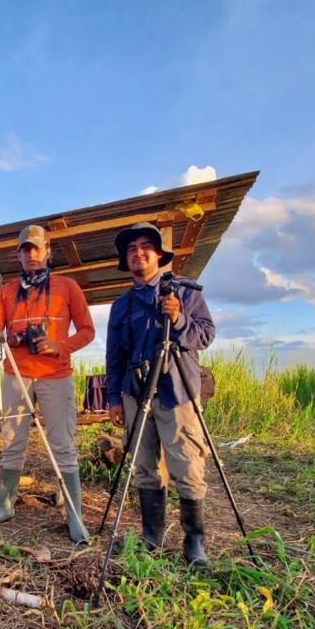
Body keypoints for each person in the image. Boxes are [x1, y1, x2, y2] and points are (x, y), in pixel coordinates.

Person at [0, 225, 96, 543]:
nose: (31, 254)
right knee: (12, 443)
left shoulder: (67, 287)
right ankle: (4, 506)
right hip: (16, 374)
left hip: (56, 376)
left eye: (36, 248)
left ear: (47, 252)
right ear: (18, 255)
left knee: (63, 447)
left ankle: (75, 516)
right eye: (25, 249)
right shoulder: (5, 291)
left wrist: (60, 346)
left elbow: (87, 330)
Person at [105, 222, 216, 565]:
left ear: (159, 254)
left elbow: (206, 334)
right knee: (144, 466)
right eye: (131, 249)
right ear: (127, 259)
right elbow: (114, 356)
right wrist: (113, 399)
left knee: (187, 465)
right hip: (135, 393)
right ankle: (152, 537)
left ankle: (193, 543)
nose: (138, 252)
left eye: (145, 246)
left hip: (176, 390)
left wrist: (180, 319)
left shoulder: (184, 292)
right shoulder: (121, 305)